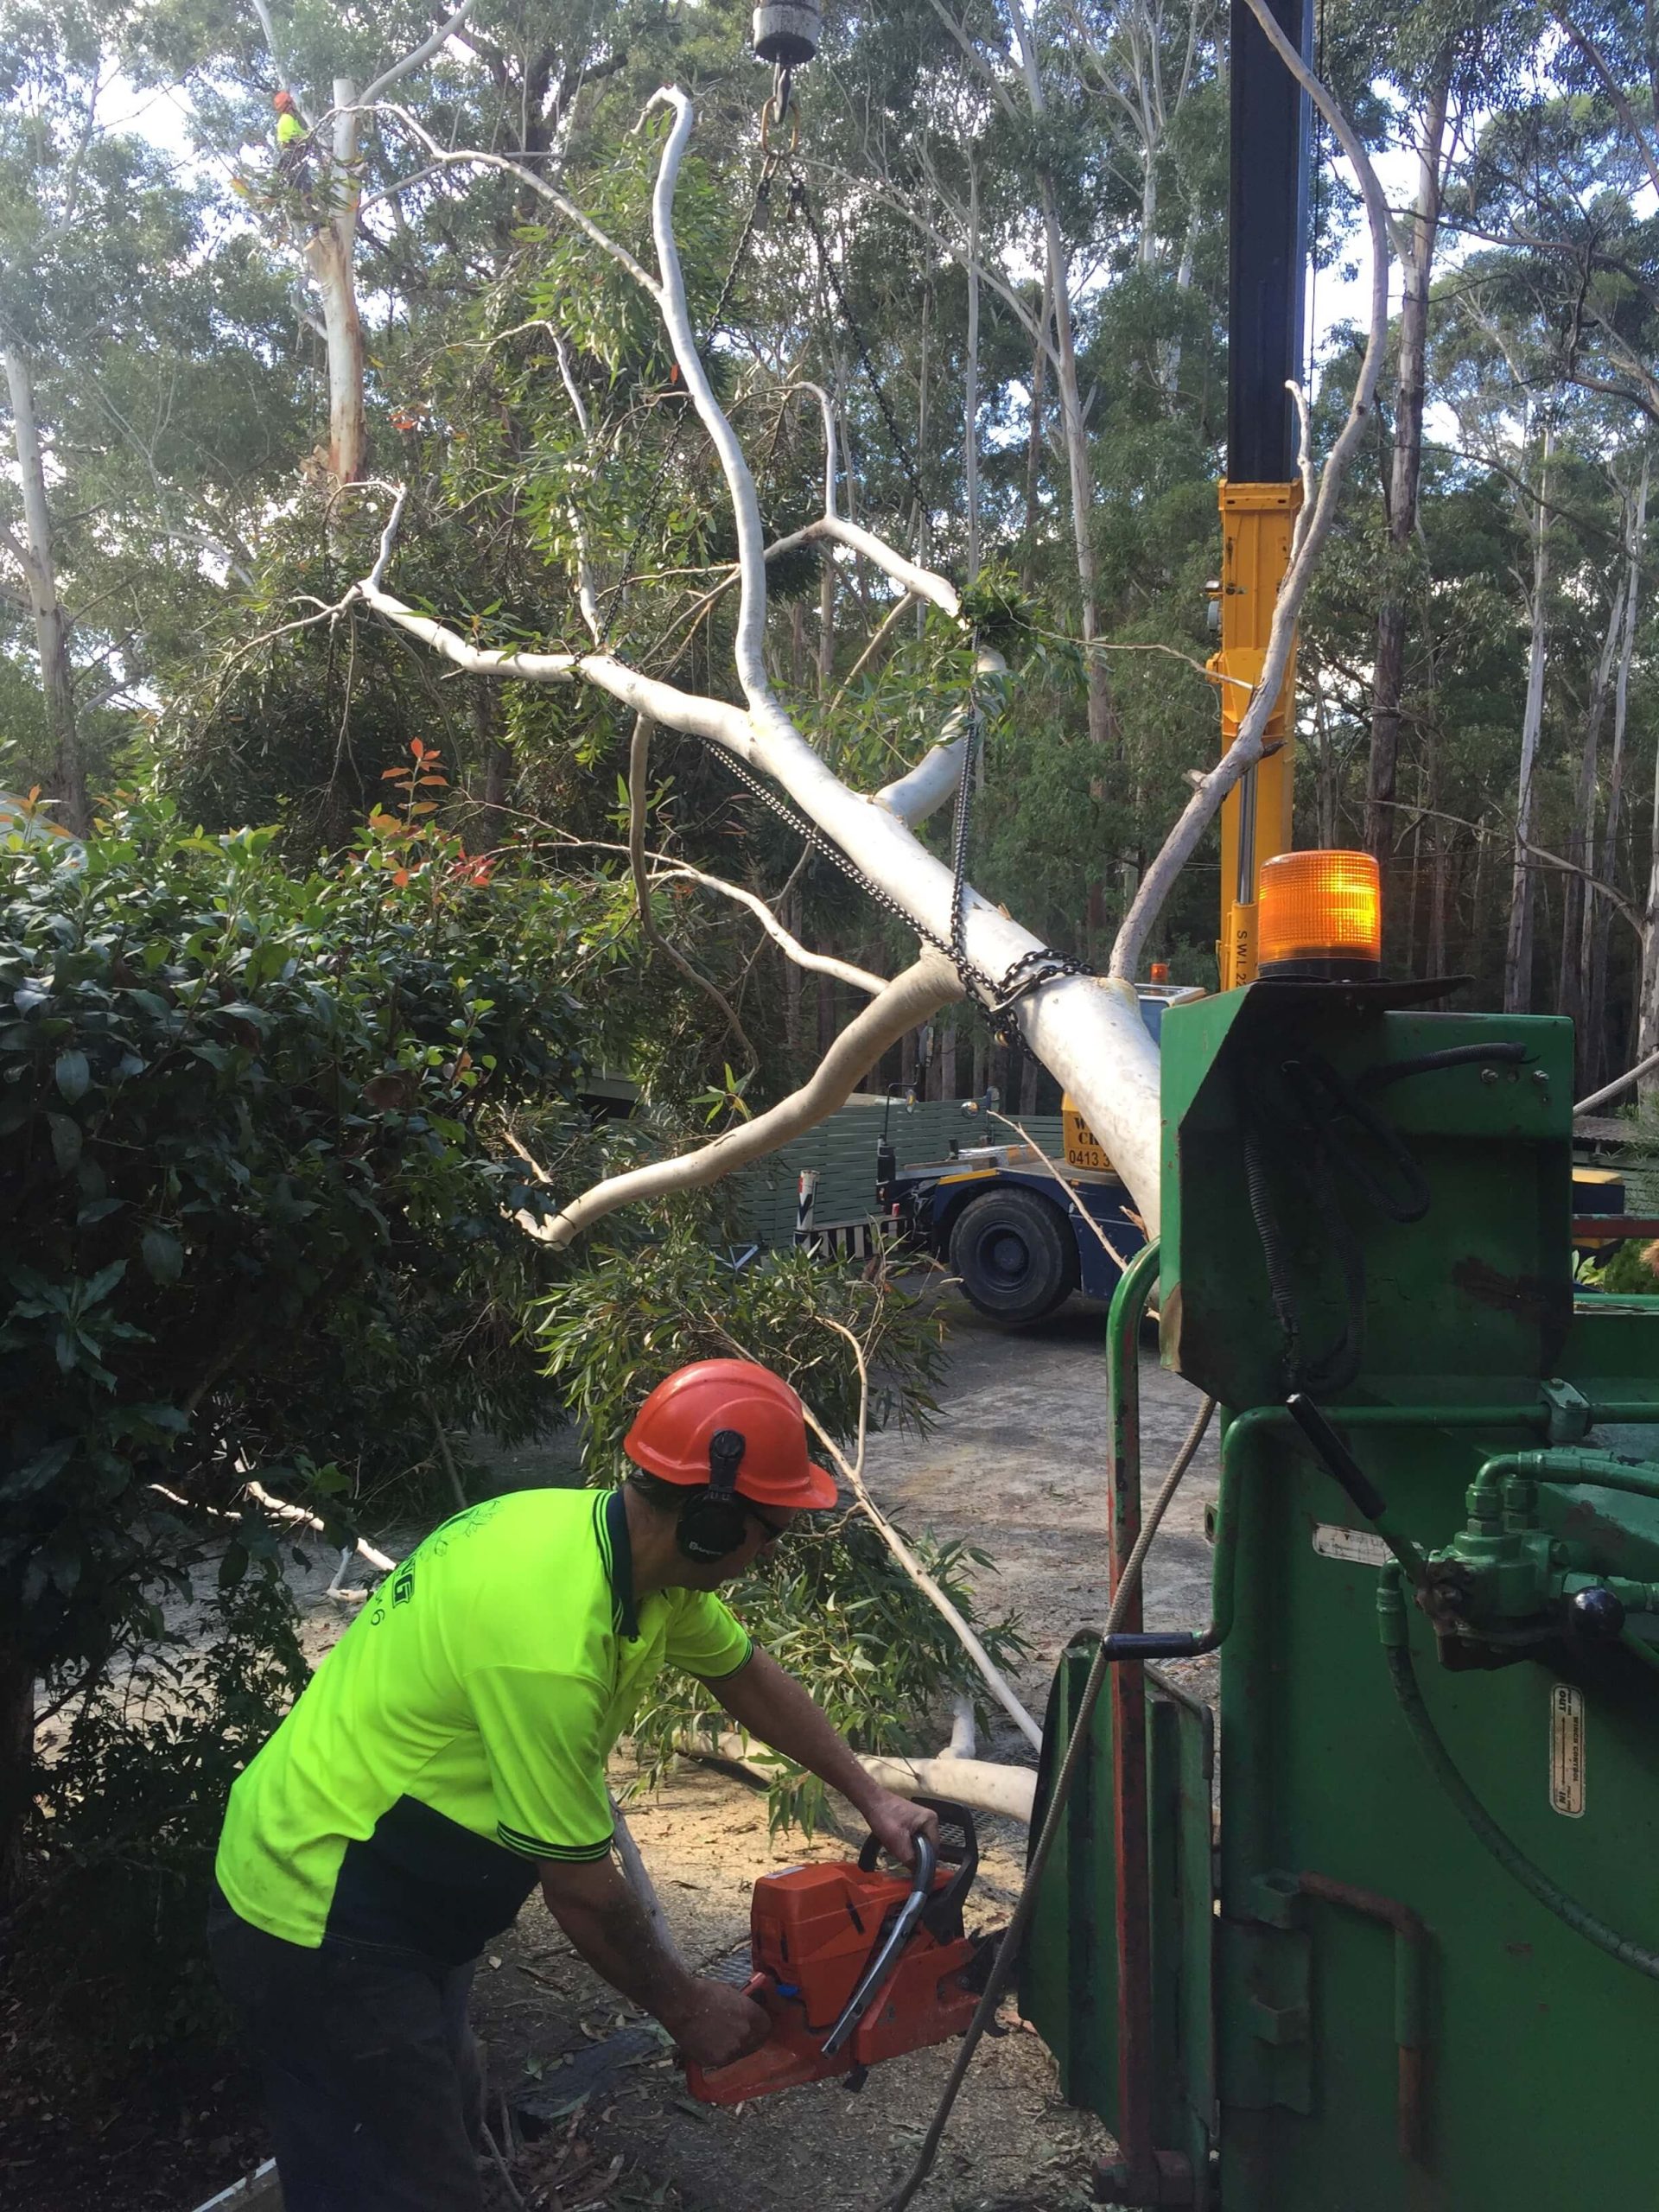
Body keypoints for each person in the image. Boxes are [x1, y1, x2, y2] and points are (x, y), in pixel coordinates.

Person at [207, 1358, 937, 2212]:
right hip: (322, 1913)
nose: (772, 1551)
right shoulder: (549, 1641)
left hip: (388, 1897)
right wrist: (686, 2003)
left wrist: (871, 1795)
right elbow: (585, 1895)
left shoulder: (625, 1557)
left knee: (418, 2123)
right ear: (708, 1522)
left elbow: (746, 1676)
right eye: (768, 1530)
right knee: (403, 2184)